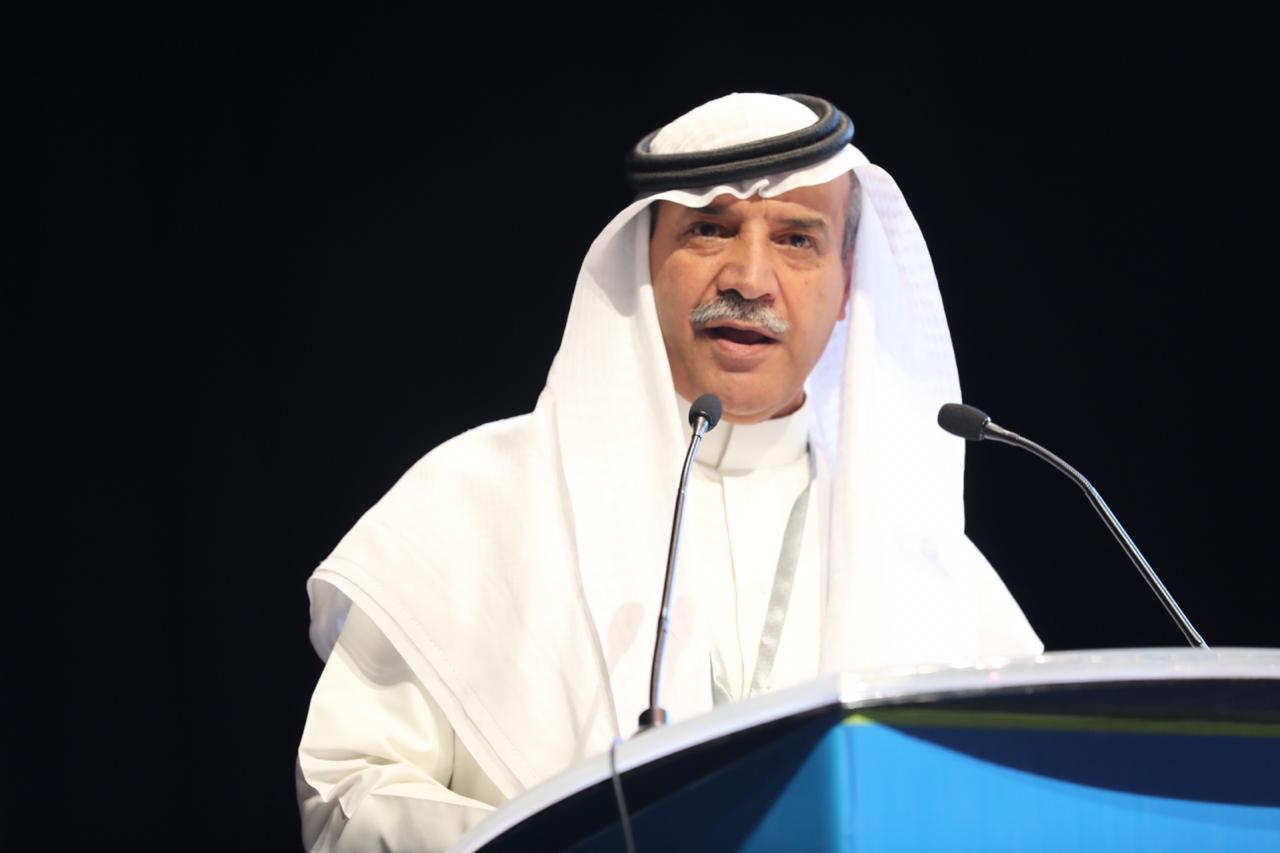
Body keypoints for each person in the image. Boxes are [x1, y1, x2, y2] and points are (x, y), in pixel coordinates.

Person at [296, 92, 1043, 852]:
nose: (749, 279)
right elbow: (346, 796)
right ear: (646, 259)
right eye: (710, 229)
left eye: (796, 240)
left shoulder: (925, 562)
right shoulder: (476, 503)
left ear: (848, 281)